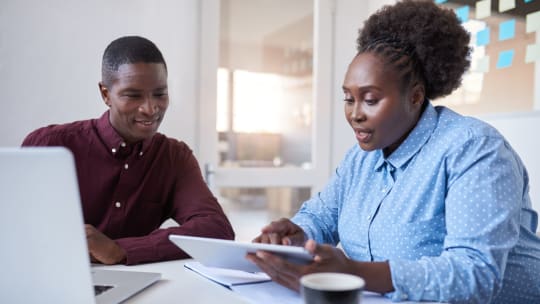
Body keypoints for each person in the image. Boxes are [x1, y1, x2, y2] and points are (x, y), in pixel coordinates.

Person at [247, 1, 540, 303]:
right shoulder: (361, 158)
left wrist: (353, 271)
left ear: (415, 96)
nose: (355, 114)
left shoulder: (474, 149)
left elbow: (475, 274)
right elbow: (321, 217)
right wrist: (298, 235)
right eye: (349, 98)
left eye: (370, 99)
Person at [22, 36, 235, 265]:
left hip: (140, 288)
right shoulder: (49, 145)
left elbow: (216, 229)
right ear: (106, 94)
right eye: (133, 96)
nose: (150, 108)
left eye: (160, 94)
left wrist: (121, 250)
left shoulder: (175, 158)